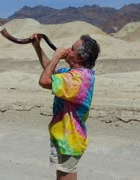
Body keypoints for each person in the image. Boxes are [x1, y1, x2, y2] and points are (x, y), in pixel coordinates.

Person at [31, 33, 100, 180]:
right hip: (66, 138)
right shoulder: (72, 73)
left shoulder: (78, 79)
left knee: (65, 175)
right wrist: (37, 47)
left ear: (80, 57)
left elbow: (44, 81)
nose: (67, 50)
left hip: (69, 139)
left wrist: (57, 56)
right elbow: (49, 71)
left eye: (72, 49)